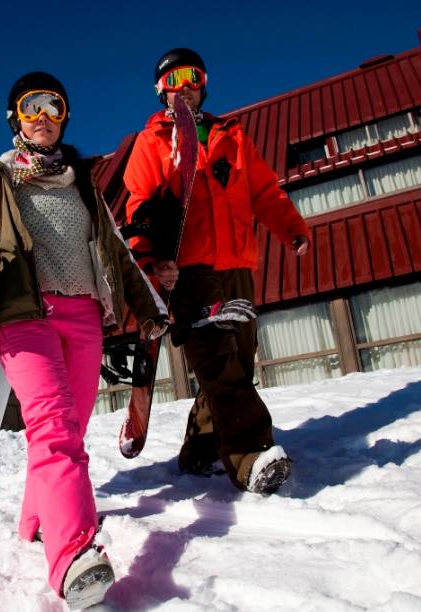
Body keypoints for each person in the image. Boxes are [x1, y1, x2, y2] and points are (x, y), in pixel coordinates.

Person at [0, 71, 169, 609]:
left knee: (66, 428)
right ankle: (73, 553)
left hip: (83, 317)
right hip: (24, 316)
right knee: (52, 425)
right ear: (15, 118)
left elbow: (115, 251)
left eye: (55, 106)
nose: (44, 117)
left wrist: (147, 307)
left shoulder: (82, 183)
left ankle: (35, 520)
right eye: (33, 107)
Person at [121, 48, 311, 495]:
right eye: (174, 79)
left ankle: (201, 449)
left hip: (238, 267)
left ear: (204, 83)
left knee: (240, 361)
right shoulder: (151, 143)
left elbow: (264, 191)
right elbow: (137, 206)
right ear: (161, 91)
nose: (184, 85)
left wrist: (291, 228)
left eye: (193, 76)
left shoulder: (233, 136)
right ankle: (251, 455)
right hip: (189, 273)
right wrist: (149, 259)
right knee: (219, 361)